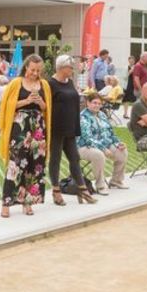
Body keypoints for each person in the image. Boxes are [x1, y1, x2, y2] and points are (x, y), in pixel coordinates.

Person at [0, 55, 52, 217]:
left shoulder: (44, 85)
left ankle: (28, 202)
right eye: (32, 69)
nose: (35, 73)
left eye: (38, 70)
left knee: (35, 165)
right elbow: (6, 105)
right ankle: (6, 203)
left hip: (38, 128)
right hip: (20, 126)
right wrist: (26, 101)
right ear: (26, 67)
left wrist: (40, 102)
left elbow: (46, 108)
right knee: (15, 164)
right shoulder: (16, 83)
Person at [49, 54, 97, 205]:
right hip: (56, 128)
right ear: (62, 67)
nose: (72, 70)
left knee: (74, 158)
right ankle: (56, 191)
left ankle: (82, 189)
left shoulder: (70, 82)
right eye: (70, 67)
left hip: (70, 127)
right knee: (55, 159)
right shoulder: (50, 84)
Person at [78, 94, 129, 194]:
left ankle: (116, 181)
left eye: (99, 103)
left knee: (122, 152)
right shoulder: (83, 117)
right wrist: (103, 149)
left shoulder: (102, 115)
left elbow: (111, 133)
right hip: (84, 146)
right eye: (94, 103)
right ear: (88, 103)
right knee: (99, 155)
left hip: (105, 143)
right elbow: (88, 138)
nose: (97, 105)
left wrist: (118, 143)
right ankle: (100, 186)